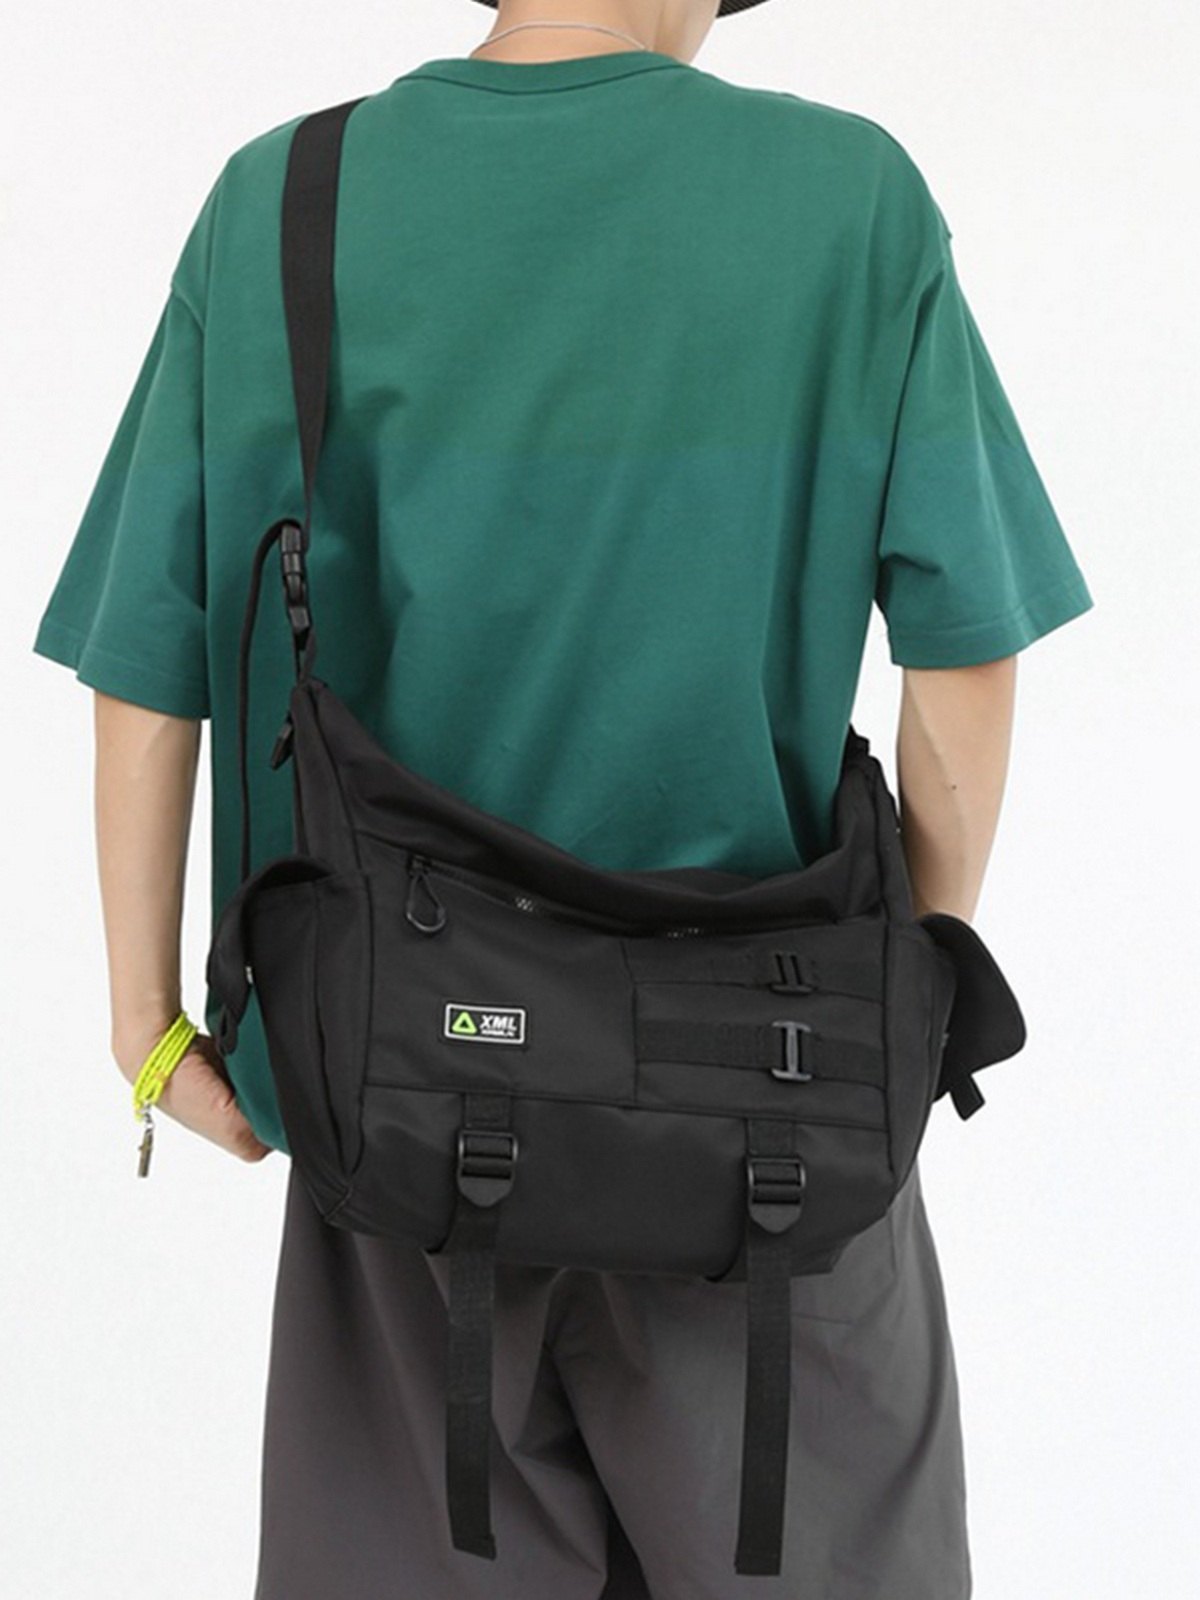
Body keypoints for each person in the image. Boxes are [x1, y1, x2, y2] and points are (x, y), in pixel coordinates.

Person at [31, 1, 1093, 1595]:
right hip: (771, 1111)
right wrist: (898, 1011)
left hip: (400, 1101)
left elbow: (150, 655)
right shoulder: (848, 199)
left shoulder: (281, 201)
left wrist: (146, 1022)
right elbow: (964, 666)